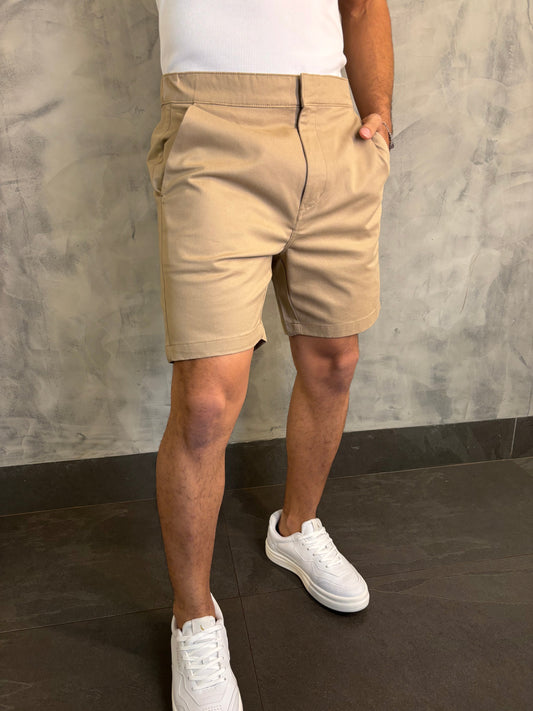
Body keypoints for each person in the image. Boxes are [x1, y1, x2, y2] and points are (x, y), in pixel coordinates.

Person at [146, 1, 394, 709]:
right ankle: (193, 616)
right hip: (212, 124)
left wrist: (378, 114)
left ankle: (295, 527)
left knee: (334, 358)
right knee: (204, 401)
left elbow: (362, 5)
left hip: (332, 123)